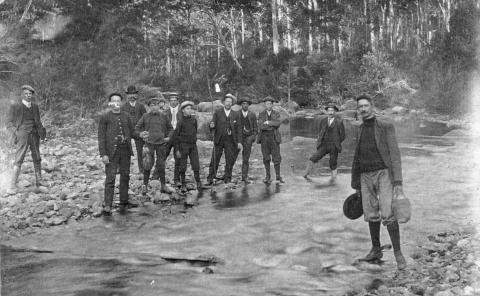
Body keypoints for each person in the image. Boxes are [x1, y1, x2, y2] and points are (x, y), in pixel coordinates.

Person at [351, 94, 406, 270]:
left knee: (388, 213)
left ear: (372, 107)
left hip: (383, 173)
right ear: (357, 110)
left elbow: (395, 154)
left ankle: (398, 253)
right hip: (364, 176)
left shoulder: (385, 125)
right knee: (370, 213)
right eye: (360, 107)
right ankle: (376, 250)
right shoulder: (359, 128)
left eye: (366, 106)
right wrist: (355, 183)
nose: (363, 109)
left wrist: (398, 181)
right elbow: (357, 156)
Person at [98, 93, 134, 214]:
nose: (116, 103)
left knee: (125, 176)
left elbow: (132, 132)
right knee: (110, 177)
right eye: (113, 101)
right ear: (110, 103)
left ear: (121, 103)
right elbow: (101, 137)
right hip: (111, 152)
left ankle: (124, 201)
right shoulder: (105, 117)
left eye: (118, 101)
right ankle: (108, 204)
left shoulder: (126, 116)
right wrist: (103, 154)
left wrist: (142, 135)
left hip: (125, 150)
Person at [6, 85, 46, 194]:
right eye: (26, 94)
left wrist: (42, 132)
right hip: (22, 135)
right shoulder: (15, 106)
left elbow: (38, 122)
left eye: (30, 94)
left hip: (34, 135)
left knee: (37, 158)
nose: (28, 96)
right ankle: (12, 186)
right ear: (22, 95)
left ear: (32, 95)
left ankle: (39, 181)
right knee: (19, 159)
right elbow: (8, 123)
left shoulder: (35, 106)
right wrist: (16, 132)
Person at [136, 95, 174, 194]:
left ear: (159, 106)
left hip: (161, 144)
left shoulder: (164, 116)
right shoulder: (145, 116)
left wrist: (168, 137)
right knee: (147, 165)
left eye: (156, 105)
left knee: (161, 165)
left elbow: (170, 129)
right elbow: (137, 128)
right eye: (152, 105)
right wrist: (141, 134)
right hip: (149, 144)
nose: (154, 107)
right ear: (149, 107)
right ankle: (145, 186)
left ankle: (163, 185)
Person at [206, 93, 242, 185]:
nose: (228, 103)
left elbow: (239, 129)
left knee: (229, 159)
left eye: (230, 102)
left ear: (232, 103)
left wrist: (239, 142)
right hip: (219, 139)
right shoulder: (218, 113)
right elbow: (212, 124)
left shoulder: (236, 114)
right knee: (215, 159)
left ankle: (227, 178)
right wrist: (212, 125)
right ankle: (211, 178)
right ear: (224, 102)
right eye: (227, 101)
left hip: (230, 140)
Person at [303, 102, 345, 181]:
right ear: (327, 112)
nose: (330, 112)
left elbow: (343, 136)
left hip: (334, 146)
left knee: (333, 163)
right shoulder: (323, 121)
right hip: (324, 145)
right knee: (313, 158)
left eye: (332, 111)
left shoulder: (339, 122)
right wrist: (320, 141)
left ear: (335, 112)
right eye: (329, 111)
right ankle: (305, 175)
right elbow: (320, 132)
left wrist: (337, 142)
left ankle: (334, 179)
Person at [172, 101, 202, 194]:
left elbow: (195, 131)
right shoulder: (180, 122)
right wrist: (177, 150)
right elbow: (176, 137)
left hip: (193, 146)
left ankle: (198, 182)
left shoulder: (194, 120)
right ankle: (183, 184)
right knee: (183, 166)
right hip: (183, 146)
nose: (190, 110)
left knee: (196, 164)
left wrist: (194, 139)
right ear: (183, 111)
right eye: (187, 109)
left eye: (190, 108)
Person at [257, 96, 284, 184]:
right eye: (267, 104)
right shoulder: (261, 114)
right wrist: (272, 124)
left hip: (274, 137)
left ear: (272, 105)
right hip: (264, 137)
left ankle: (278, 176)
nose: (268, 105)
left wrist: (268, 122)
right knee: (266, 157)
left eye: (270, 104)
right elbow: (261, 126)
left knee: (276, 157)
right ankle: (267, 176)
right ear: (265, 105)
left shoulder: (276, 113)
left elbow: (278, 123)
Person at [121, 85, 147, 174]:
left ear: (136, 95)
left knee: (140, 150)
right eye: (130, 94)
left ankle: (142, 169)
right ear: (127, 96)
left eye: (134, 94)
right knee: (124, 149)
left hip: (138, 131)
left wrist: (144, 131)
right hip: (127, 131)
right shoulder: (123, 107)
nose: (132, 96)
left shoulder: (141, 106)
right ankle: (123, 168)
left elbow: (145, 118)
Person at [236, 96, 258, 184]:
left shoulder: (252, 114)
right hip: (238, 139)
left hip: (248, 139)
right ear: (241, 105)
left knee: (246, 159)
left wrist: (252, 137)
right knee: (232, 158)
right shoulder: (236, 114)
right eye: (243, 104)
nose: (245, 105)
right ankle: (228, 176)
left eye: (247, 104)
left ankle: (244, 177)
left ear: (249, 105)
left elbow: (256, 129)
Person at [164, 92, 183, 185]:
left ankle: (177, 179)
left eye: (175, 100)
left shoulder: (182, 111)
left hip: (178, 136)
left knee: (178, 157)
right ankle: (156, 176)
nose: (173, 102)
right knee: (163, 155)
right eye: (171, 101)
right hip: (168, 136)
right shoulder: (165, 112)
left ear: (178, 101)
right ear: (169, 102)